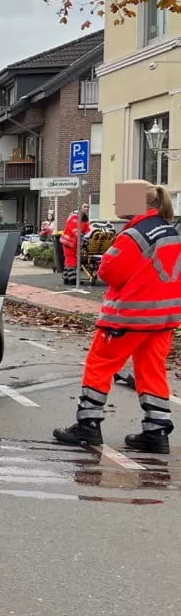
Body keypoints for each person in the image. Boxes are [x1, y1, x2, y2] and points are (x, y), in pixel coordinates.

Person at [53, 185, 181, 454]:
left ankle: (88, 425)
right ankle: (156, 432)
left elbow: (109, 272)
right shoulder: (171, 233)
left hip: (128, 318)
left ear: (139, 204)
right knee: (151, 371)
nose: (116, 204)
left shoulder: (134, 235)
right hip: (163, 318)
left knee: (99, 365)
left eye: (122, 199)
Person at [59, 203, 91, 285]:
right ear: (80, 208)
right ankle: (72, 280)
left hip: (74, 242)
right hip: (68, 241)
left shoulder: (84, 218)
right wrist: (78, 233)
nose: (86, 208)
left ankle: (66, 278)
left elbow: (87, 229)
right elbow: (72, 226)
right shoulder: (74, 216)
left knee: (69, 259)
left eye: (88, 207)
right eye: (84, 206)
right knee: (71, 259)